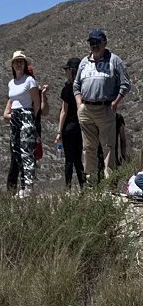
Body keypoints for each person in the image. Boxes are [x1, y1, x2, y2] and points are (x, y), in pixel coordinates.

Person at [73, 28, 132, 182]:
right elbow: (76, 85)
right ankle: (91, 182)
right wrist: (80, 104)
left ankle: (110, 183)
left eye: (98, 42)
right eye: (92, 42)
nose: (94, 45)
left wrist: (115, 102)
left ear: (104, 42)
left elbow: (125, 84)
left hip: (105, 108)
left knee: (108, 146)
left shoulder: (114, 60)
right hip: (86, 109)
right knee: (88, 147)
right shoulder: (84, 62)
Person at [2, 51, 40, 197]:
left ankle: (29, 186)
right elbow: (11, 102)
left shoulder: (30, 81)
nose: (19, 64)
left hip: (26, 115)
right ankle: (22, 186)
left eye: (21, 61)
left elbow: (36, 103)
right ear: (12, 64)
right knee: (16, 152)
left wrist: (31, 118)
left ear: (25, 64)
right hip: (14, 117)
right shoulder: (11, 83)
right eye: (16, 61)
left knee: (27, 152)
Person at [55, 57, 86, 188]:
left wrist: (59, 131)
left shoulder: (67, 89)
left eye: (67, 69)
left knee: (69, 160)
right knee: (79, 159)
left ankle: (68, 188)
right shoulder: (84, 87)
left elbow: (64, 111)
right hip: (81, 127)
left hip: (69, 128)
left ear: (71, 70)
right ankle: (83, 186)